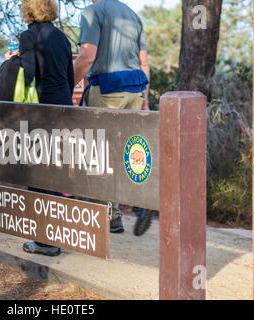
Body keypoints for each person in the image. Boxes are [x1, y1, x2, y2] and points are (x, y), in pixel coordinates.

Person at [73, 0, 152, 236]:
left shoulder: (92, 12)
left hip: (108, 89)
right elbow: (144, 62)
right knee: (126, 151)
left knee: (99, 153)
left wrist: (67, 85)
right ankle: (133, 204)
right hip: (135, 90)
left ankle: (109, 215)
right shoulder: (132, 15)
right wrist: (145, 98)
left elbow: (87, 56)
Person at [5, 0, 75, 256]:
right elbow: (70, 78)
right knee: (54, 171)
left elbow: (30, 75)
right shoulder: (62, 38)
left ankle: (45, 241)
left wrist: (13, 61)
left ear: (29, 10)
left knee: (37, 174)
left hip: (39, 111)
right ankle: (56, 234)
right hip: (64, 109)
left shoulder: (27, 37)